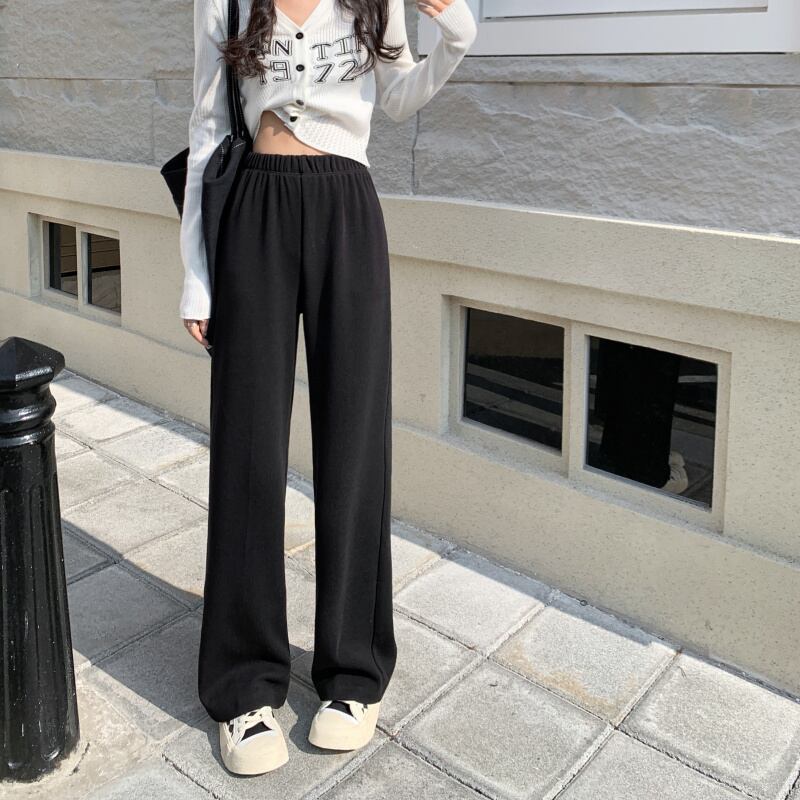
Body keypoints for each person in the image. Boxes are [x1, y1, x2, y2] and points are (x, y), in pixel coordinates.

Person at [178, 0, 477, 776]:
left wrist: (458, 34)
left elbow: (399, 97)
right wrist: (196, 277)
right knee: (246, 445)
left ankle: (353, 671)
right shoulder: (225, 2)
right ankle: (243, 685)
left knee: (355, 441)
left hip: (347, 208)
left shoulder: (373, 2)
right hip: (253, 213)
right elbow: (207, 129)